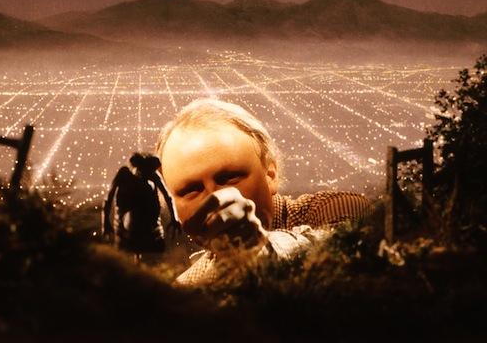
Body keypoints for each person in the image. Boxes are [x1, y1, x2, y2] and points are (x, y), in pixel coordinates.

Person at [156, 98, 371, 286]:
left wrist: (254, 249)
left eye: (229, 178)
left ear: (270, 175)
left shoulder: (336, 209)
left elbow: (345, 254)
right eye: (191, 190)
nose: (216, 198)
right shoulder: (186, 285)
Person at [102, 152, 181, 259]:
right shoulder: (124, 174)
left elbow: (168, 196)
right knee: (127, 261)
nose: (144, 175)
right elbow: (108, 198)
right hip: (125, 232)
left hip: (151, 232)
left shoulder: (152, 175)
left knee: (151, 261)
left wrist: (175, 219)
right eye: (143, 172)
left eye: (148, 173)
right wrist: (105, 223)